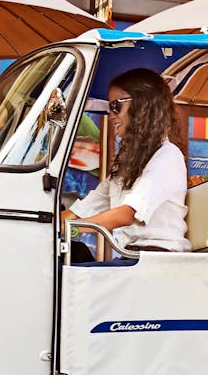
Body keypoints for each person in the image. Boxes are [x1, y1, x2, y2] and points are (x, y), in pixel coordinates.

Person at [61, 68, 191, 261]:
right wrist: (49, 223)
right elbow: (85, 208)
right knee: (72, 260)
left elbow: (126, 214)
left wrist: (72, 227)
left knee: (75, 274)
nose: (111, 115)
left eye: (115, 106)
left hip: (158, 259)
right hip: (132, 258)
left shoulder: (167, 155)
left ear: (143, 106)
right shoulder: (127, 166)